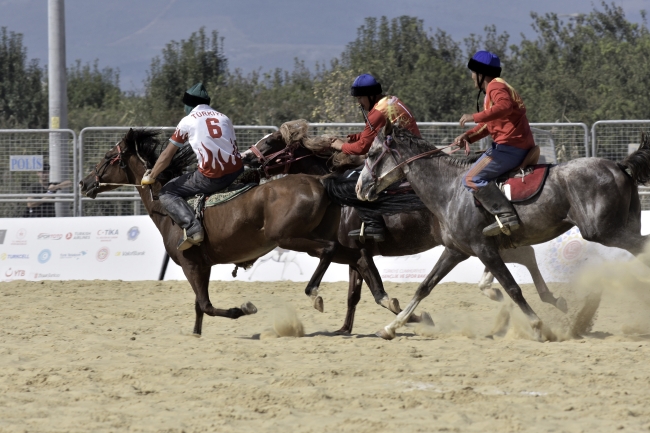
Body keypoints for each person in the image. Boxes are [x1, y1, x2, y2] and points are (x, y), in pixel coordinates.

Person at [142, 83, 243, 250]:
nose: (184, 108)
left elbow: (167, 155)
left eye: (184, 105)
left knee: (167, 193)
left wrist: (152, 175)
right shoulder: (224, 117)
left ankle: (193, 229)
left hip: (211, 178)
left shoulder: (188, 121)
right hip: (236, 171)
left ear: (189, 104)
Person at [452, 50, 536, 237]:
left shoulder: (495, 87)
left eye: (473, 72)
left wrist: (473, 116)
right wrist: (468, 136)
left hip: (510, 148)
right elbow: (489, 125)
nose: (472, 77)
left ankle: (505, 215)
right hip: (514, 146)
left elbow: (504, 107)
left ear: (481, 73)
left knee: (470, 179)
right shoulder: (497, 87)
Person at [329, 73, 421, 241]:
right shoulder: (389, 101)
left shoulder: (376, 113)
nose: (359, 103)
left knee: (354, 180)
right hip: (409, 151)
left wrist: (340, 146)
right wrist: (353, 138)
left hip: (401, 158)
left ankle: (374, 225)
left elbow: (363, 147)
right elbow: (370, 136)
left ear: (371, 95)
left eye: (360, 98)